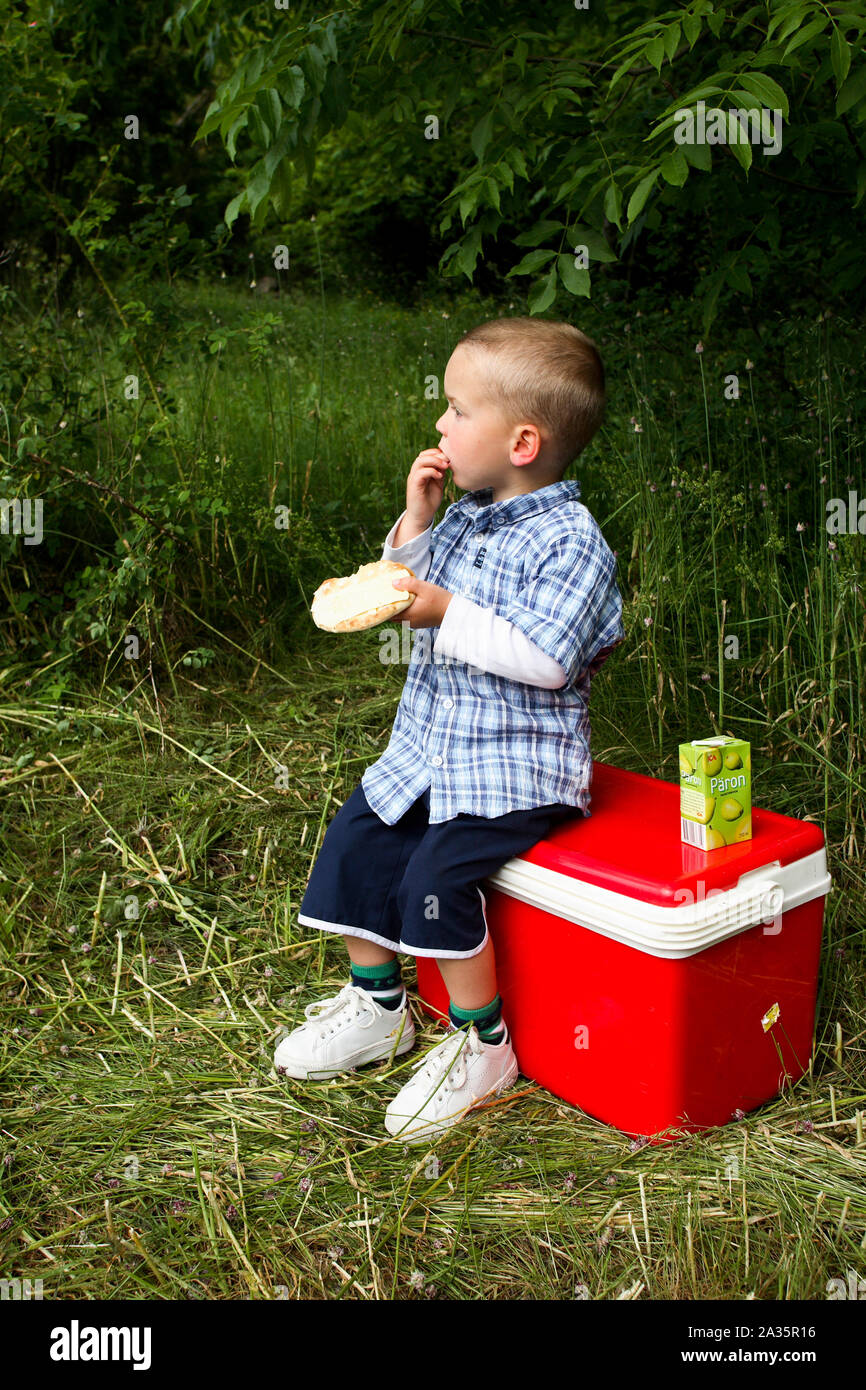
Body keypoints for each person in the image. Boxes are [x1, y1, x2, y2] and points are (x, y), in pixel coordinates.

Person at [274, 316, 624, 1144]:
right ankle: (381, 1005)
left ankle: (485, 1044)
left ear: (524, 441)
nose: (440, 424)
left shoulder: (573, 544)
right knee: (359, 839)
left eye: (459, 410)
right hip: (428, 750)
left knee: (436, 873)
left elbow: (545, 657)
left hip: (514, 770)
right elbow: (402, 588)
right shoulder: (467, 515)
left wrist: (447, 611)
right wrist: (416, 521)